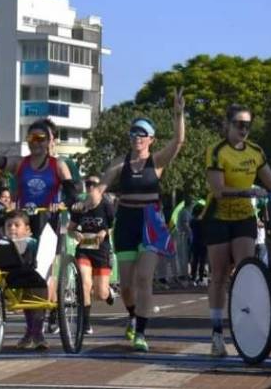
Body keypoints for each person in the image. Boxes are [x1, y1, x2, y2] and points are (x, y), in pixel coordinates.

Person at [96, 89, 185, 352]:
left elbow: (178, 142)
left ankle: (141, 334)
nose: (137, 137)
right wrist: (89, 199)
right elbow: (100, 186)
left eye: (142, 133)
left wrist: (178, 114)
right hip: (126, 221)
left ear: (151, 139)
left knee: (144, 278)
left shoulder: (156, 161)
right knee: (126, 286)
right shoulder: (119, 163)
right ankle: (133, 315)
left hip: (150, 222)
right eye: (133, 133)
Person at [0, 103, 78, 334]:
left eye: (41, 138)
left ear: (50, 141)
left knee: (40, 275)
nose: (36, 143)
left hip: (48, 223)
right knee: (22, 275)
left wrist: (62, 204)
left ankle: (36, 331)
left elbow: (72, 194)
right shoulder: (20, 163)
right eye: (32, 138)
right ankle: (30, 328)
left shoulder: (58, 165)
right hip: (24, 224)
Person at [203, 103, 271, 357]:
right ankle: (217, 334)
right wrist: (247, 192)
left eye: (248, 125)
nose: (244, 129)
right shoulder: (216, 151)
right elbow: (218, 190)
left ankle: (244, 327)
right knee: (220, 275)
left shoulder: (256, 151)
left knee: (246, 271)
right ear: (227, 125)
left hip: (244, 218)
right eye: (239, 124)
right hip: (218, 216)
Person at [69, 175, 116, 335]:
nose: (90, 187)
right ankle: (85, 323)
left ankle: (108, 292)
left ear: (101, 188)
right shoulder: (80, 206)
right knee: (84, 284)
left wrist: (105, 232)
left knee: (100, 294)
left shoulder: (106, 205)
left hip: (101, 250)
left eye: (94, 184)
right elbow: (70, 228)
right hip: (84, 249)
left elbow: (114, 225)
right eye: (88, 184)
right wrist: (75, 233)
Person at [0, 210, 51, 350]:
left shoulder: (32, 242)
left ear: (27, 230)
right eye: (9, 225)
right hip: (10, 279)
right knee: (28, 299)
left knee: (35, 295)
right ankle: (31, 334)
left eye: (17, 225)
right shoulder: (1, 243)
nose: (12, 228)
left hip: (32, 277)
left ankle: (36, 334)